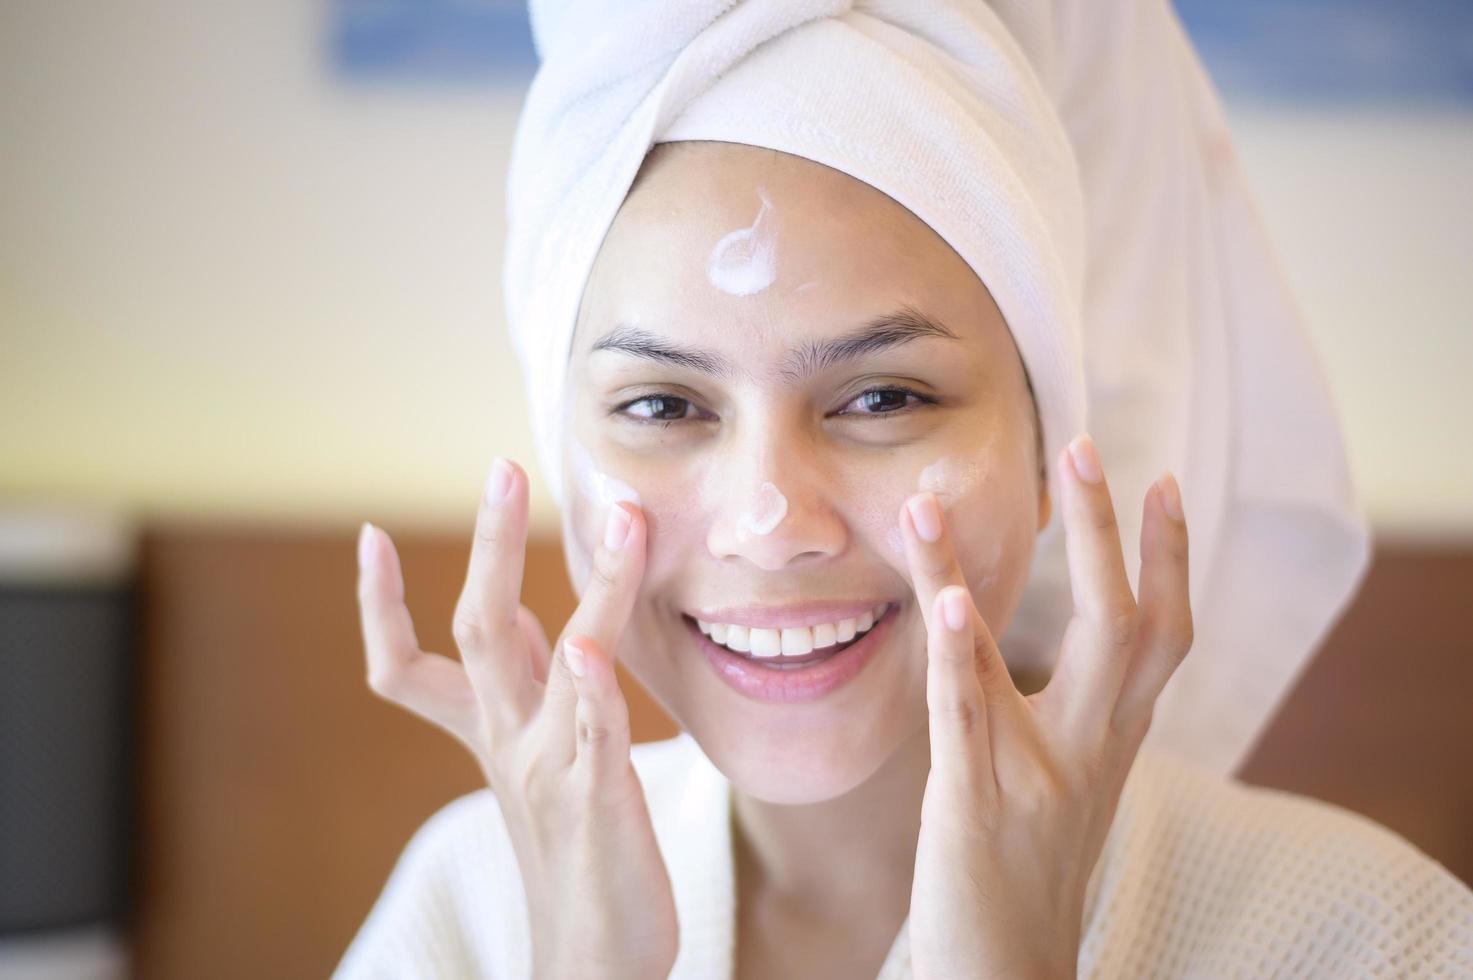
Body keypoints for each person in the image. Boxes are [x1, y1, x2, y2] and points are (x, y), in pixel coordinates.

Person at [337, 2, 1473, 978]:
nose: (771, 525)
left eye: (883, 398)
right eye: (664, 406)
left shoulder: (1358, 935)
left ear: (1049, 450)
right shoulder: (469, 914)